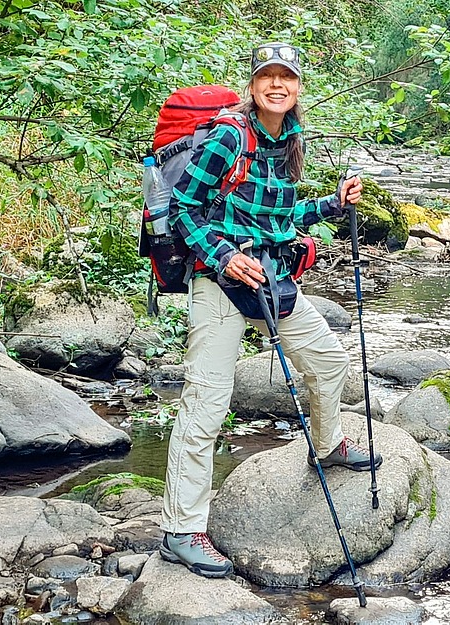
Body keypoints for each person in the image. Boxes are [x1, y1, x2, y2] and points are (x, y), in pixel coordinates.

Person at [159, 41, 382, 578]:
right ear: (254, 85)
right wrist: (225, 256)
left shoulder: (291, 140)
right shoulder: (230, 136)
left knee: (330, 364)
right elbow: (181, 211)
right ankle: (181, 531)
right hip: (220, 281)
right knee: (206, 405)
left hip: (272, 278)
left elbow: (280, 215)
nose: (277, 85)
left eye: (287, 78)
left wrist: (331, 204)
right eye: (267, 77)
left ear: (298, 87)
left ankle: (326, 446)